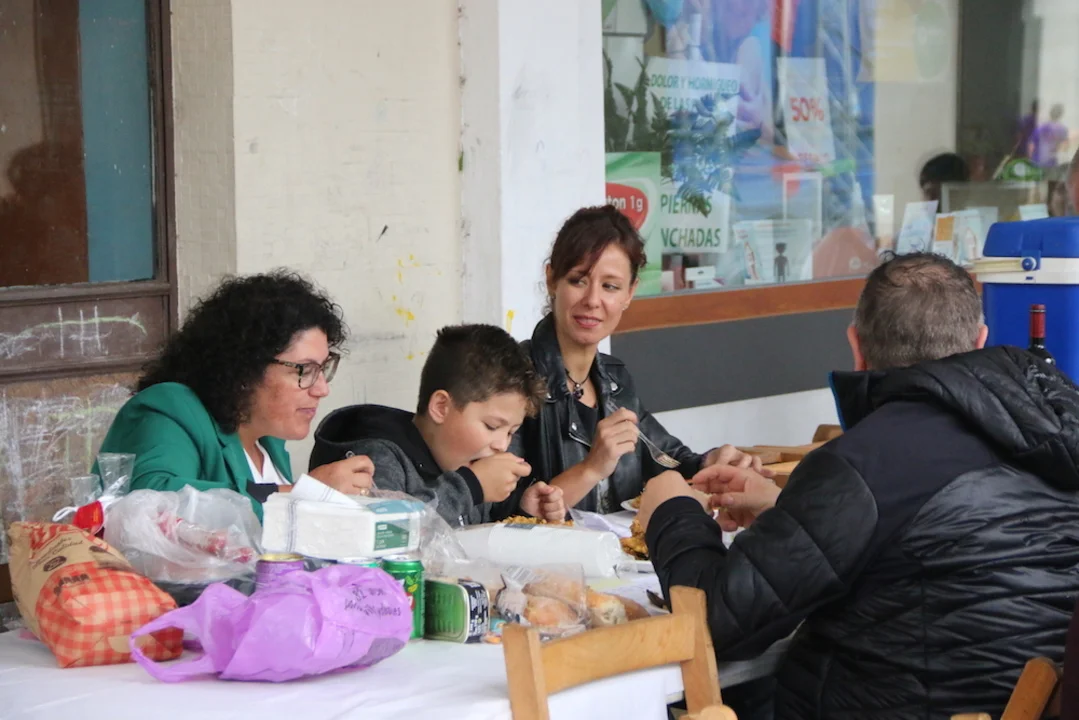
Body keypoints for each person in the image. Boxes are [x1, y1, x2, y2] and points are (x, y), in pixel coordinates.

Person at [638, 252, 1079, 719]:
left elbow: (717, 622)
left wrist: (672, 511)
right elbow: (940, 540)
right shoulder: (1054, 439)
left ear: (856, 346)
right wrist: (789, 507)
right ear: (979, 341)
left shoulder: (869, 459)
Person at [512, 205, 759, 514]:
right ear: (552, 279)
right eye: (578, 280)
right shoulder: (513, 377)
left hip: (618, 546)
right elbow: (500, 511)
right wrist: (591, 468)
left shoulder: (615, 381)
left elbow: (665, 457)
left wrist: (712, 463)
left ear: (629, 293)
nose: (592, 300)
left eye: (610, 286)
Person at [96, 271, 374, 521]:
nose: (322, 389)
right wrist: (305, 493)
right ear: (245, 369)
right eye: (305, 370)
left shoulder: (269, 441)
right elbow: (153, 501)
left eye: (323, 368)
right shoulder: (170, 410)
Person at [310, 324, 566, 527]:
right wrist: (471, 487)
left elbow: (471, 543)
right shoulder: (377, 458)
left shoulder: (465, 463)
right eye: (491, 426)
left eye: (511, 432)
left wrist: (523, 513)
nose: (502, 445)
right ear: (441, 407)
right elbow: (391, 533)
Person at [1032, 104, 1069, 169]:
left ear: (1050, 113)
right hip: (1051, 163)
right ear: (1060, 115)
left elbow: (1032, 145)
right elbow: (1065, 147)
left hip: (1037, 161)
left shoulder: (1041, 127)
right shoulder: (1062, 129)